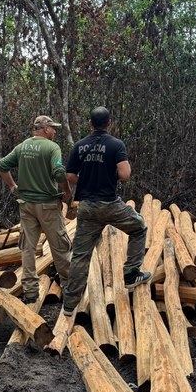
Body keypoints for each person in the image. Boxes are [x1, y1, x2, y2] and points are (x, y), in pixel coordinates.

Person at [61, 106, 150, 317]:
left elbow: (70, 176)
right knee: (139, 227)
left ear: (90, 124)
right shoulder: (116, 144)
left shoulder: (80, 146)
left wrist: (88, 179)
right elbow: (125, 174)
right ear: (109, 123)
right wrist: (108, 176)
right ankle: (131, 274)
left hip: (87, 207)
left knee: (81, 255)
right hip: (110, 205)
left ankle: (69, 304)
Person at [0, 115, 72, 303]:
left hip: (26, 206)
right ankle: (69, 287)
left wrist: (13, 187)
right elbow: (58, 172)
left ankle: (30, 291)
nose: (54, 131)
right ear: (45, 129)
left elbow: (2, 165)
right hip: (48, 205)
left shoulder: (22, 146)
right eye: (53, 128)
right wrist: (67, 192)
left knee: (28, 247)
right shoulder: (52, 147)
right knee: (59, 246)